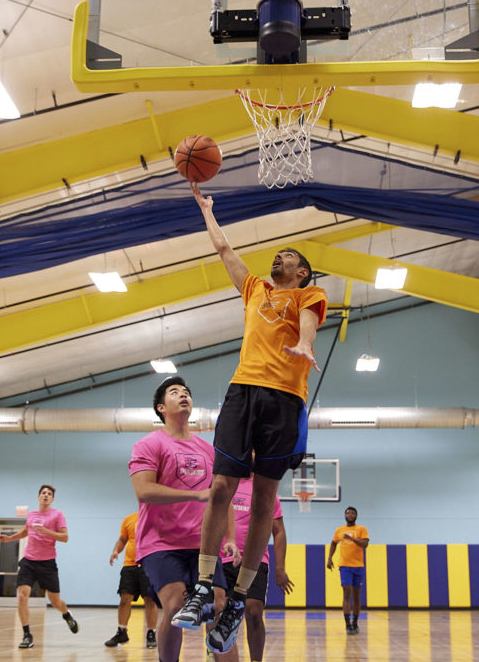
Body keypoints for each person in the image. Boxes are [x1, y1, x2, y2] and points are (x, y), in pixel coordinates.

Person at [173, 182, 328, 655]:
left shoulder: (308, 294)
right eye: (277, 254)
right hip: (243, 390)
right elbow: (224, 249)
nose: (278, 258)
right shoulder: (255, 288)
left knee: (264, 498)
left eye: (288, 256)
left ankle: (239, 597)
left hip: (285, 399)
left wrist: (304, 345)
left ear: (301, 271)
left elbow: (308, 322)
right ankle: (204, 585)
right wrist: (207, 210)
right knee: (221, 485)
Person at [129, 376, 240, 662]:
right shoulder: (149, 444)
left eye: (187, 392)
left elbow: (223, 496)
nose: (183, 395)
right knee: (176, 606)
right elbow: (144, 490)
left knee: (217, 607)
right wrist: (196, 495)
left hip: (204, 545)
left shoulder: (208, 450)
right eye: (174, 392)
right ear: (161, 407)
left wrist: (229, 538)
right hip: (160, 544)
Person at [220, 471, 294, 662]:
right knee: (221, 614)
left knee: (253, 611)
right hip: (223, 559)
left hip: (255, 560)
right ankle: (217, 654)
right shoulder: (225, 483)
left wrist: (280, 568)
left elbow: (278, 531)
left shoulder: (265, 489)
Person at [0, 484, 79, 649]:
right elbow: (25, 532)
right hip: (29, 561)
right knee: (22, 596)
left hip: (47, 563)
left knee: (55, 602)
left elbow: (65, 537)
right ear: (38, 497)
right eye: (43, 493)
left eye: (49, 494)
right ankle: (27, 635)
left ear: (52, 499)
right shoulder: (31, 514)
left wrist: (46, 531)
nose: (46, 495)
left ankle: (66, 614)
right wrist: (9, 539)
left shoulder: (58, 515)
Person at [105, 511, 159, 649]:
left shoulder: (157, 516)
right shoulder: (129, 519)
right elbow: (122, 539)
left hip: (149, 564)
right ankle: (122, 632)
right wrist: (116, 551)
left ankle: (151, 633)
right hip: (130, 565)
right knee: (124, 599)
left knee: (150, 599)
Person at [326, 506, 369, 634]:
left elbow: (365, 544)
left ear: (356, 515)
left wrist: (352, 539)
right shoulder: (339, 530)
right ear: (345, 515)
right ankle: (347, 624)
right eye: (348, 513)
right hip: (344, 566)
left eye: (352, 513)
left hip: (358, 566)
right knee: (346, 592)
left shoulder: (361, 529)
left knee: (356, 595)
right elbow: (334, 543)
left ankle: (355, 622)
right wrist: (329, 558)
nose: (350, 515)